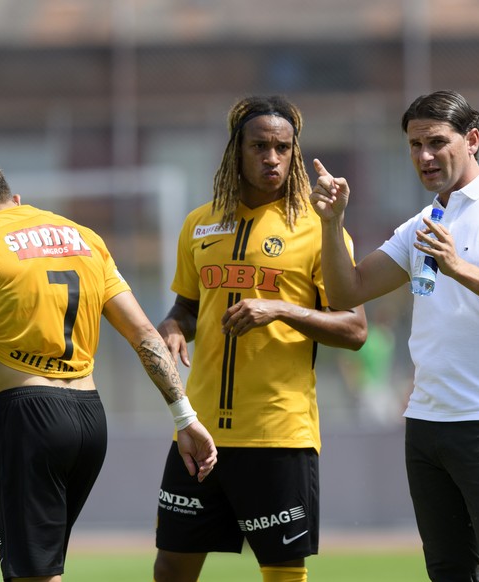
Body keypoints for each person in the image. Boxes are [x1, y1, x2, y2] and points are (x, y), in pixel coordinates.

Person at [311, 90, 479, 582]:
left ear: (472, 140)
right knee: (449, 572)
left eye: (437, 142)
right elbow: (347, 290)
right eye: (414, 144)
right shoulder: (423, 223)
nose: (424, 156)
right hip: (425, 424)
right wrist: (332, 224)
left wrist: (458, 267)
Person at [0, 154, 217, 582]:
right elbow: (144, 333)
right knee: (41, 566)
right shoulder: (85, 237)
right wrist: (185, 416)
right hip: (89, 418)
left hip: (29, 415)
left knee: (33, 574)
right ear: (14, 198)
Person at [152, 95, 367, 582]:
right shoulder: (199, 224)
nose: (272, 158)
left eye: (282, 148)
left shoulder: (318, 230)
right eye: (260, 146)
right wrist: (171, 327)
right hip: (199, 431)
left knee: (282, 571)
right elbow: (187, 306)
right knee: (170, 567)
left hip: (278, 432)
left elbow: (354, 329)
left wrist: (280, 309)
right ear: (236, 150)